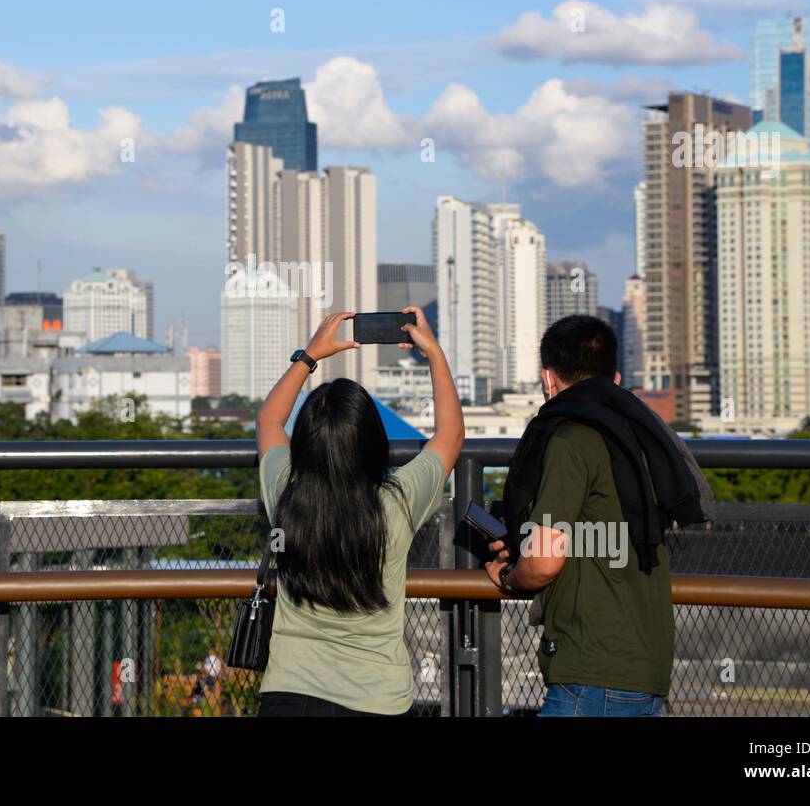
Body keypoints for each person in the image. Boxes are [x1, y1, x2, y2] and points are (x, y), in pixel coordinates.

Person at [484, 314, 712, 717]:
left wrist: (506, 576)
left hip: (590, 673)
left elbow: (543, 562)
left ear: (547, 378)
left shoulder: (570, 438)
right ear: (617, 379)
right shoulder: (643, 435)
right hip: (647, 670)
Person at [253, 306, 463, 716]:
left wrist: (310, 355)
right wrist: (435, 355)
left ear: (306, 445)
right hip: (376, 699)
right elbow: (450, 435)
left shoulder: (286, 492)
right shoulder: (396, 503)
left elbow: (268, 421)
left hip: (288, 694)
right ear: (372, 443)